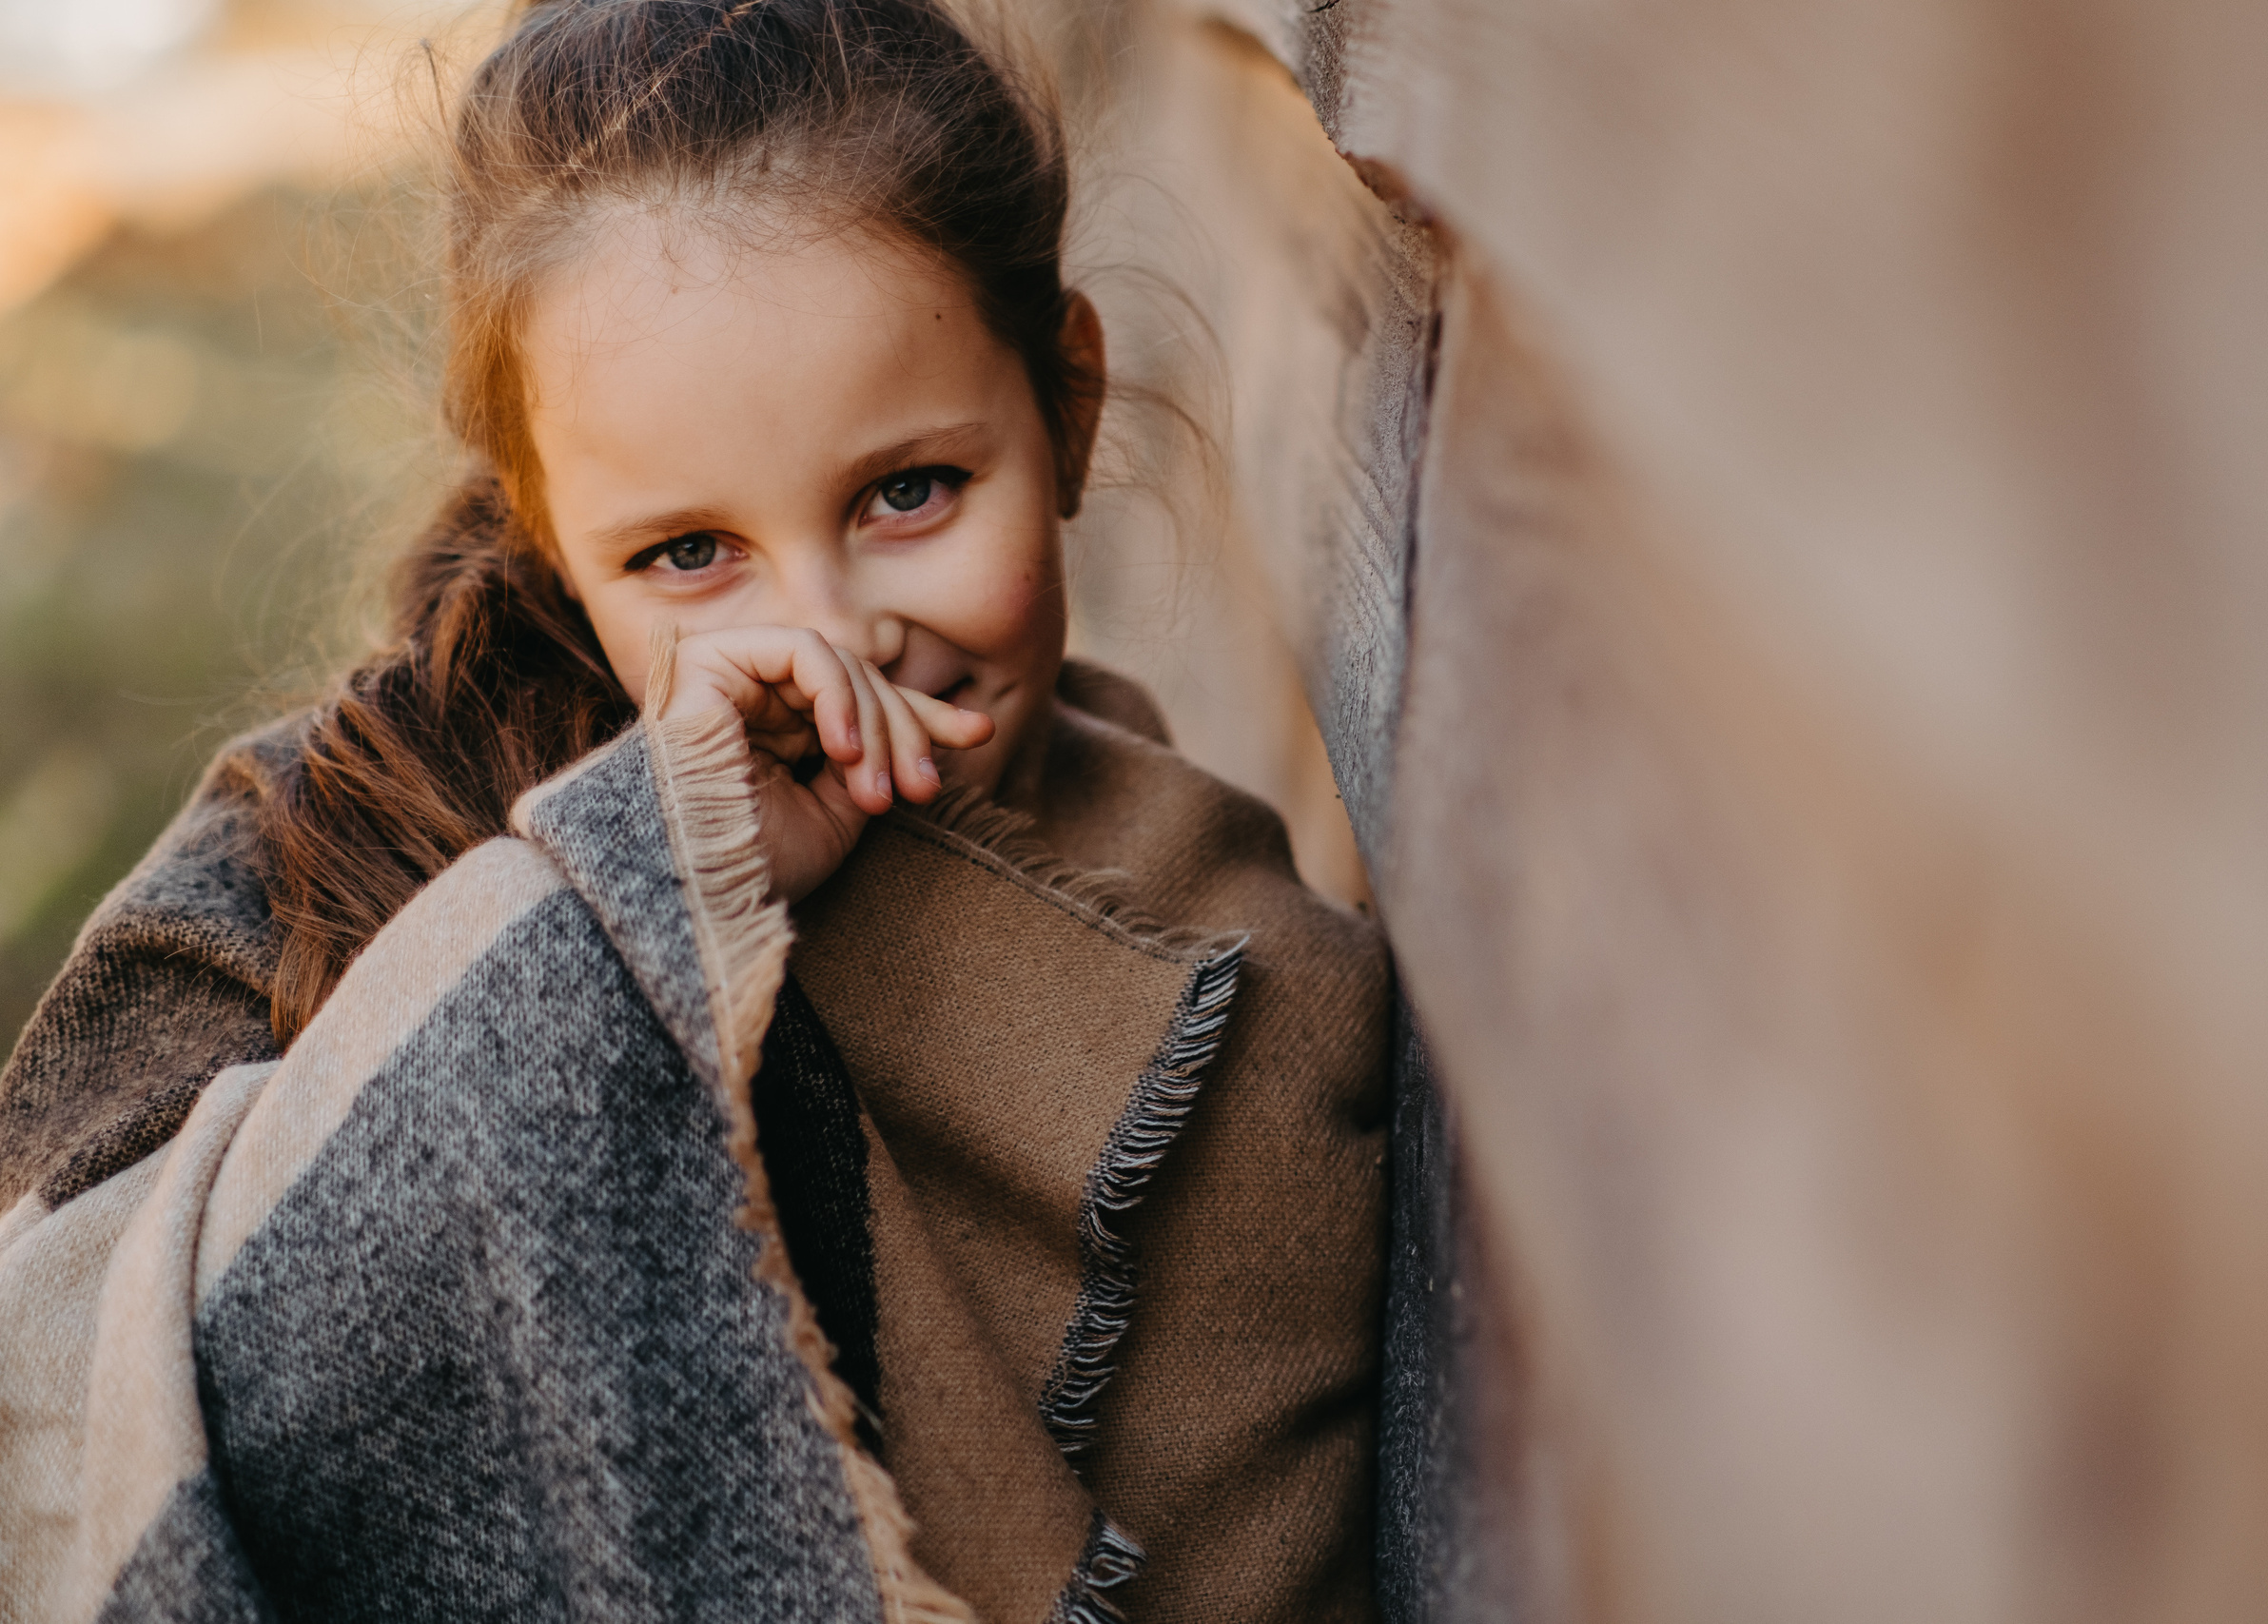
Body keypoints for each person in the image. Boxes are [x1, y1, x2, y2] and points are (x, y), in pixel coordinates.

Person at [0, 4, 1390, 1621]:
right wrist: (633, 892)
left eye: (908, 493)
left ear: (1068, 408)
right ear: (551, 541)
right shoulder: (329, 846)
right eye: (687, 557)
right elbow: (53, 1380)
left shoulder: (1241, 990)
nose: (823, 638)